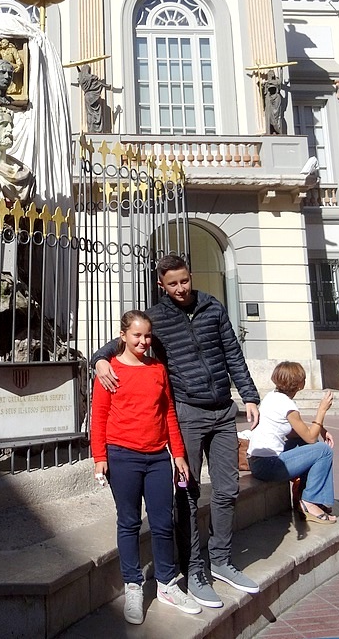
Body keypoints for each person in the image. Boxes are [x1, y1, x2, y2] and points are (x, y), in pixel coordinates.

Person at [94, 253, 261, 608]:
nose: (181, 288)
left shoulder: (212, 307)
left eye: (184, 280)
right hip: (188, 411)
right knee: (187, 492)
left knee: (227, 489)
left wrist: (249, 395)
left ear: (191, 276)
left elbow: (232, 352)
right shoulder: (155, 318)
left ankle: (221, 559)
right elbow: (120, 344)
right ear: (161, 285)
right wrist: (99, 361)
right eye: (172, 284)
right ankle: (194, 568)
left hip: (223, 409)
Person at [91, 310, 201, 624]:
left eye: (147, 335)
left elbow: (168, 414)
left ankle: (166, 583)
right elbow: (99, 417)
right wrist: (100, 458)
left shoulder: (157, 369)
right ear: (123, 336)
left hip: (157, 458)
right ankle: (133, 585)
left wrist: (177, 454)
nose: (143, 341)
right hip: (122, 456)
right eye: (137, 335)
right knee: (128, 522)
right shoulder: (109, 371)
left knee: (163, 522)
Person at [248, 362, 336, 524]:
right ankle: (310, 502)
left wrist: (320, 429)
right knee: (324, 450)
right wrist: (322, 411)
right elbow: (310, 437)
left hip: (258, 462)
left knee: (309, 445)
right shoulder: (287, 405)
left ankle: (304, 495)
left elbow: (298, 433)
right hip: (269, 466)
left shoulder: (272, 397)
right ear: (299, 384)